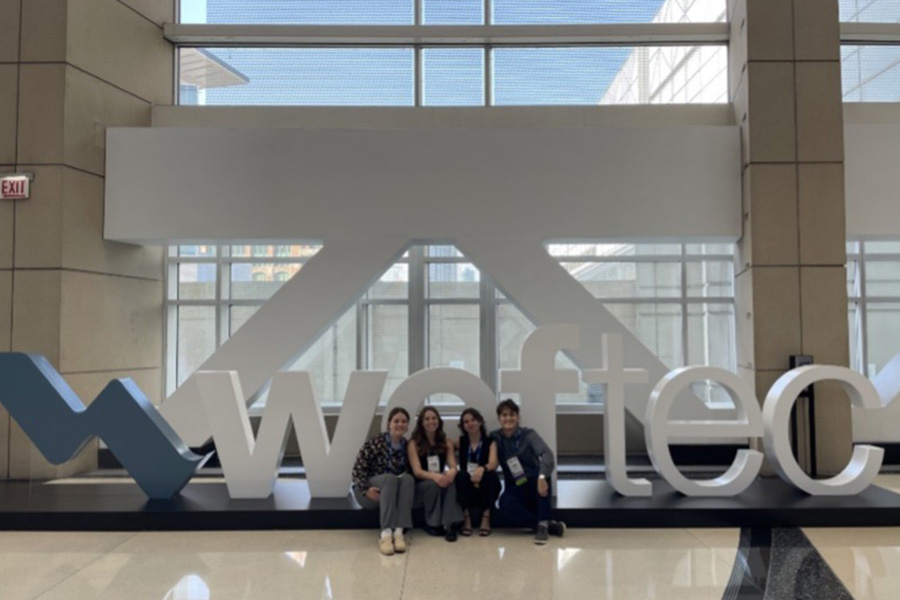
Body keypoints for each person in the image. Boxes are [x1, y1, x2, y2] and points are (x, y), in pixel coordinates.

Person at [491, 398, 566, 544]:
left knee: (542, 474)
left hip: (533, 480)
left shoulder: (529, 434)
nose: (508, 418)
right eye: (504, 415)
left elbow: (547, 454)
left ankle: (543, 524)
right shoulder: (495, 437)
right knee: (504, 503)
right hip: (516, 485)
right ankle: (542, 525)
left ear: (518, 417)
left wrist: (542, 477)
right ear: (499, 418)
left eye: (512, 414)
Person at [351, 407, 415, 556]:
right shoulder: (375, 442)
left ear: (408, 425)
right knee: (390, 478)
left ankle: (398, 532)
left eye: (404, 421)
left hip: (391, 495)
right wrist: (366, 489)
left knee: (408, 479)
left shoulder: (406, 446)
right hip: (369, 493)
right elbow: (357, 470)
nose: (400, 424)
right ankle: (386, 534)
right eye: (396, 421)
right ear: (389, 424)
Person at [408, 406, 464, 541]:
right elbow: (417, 472)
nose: (431, 421)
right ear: (421, 423)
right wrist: (435, 476)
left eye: (434, 418)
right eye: (427, 419)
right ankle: (433, 523)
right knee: (432, 484)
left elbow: (453, 465)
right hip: (421, 487)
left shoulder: (446, 442)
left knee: (451, 481)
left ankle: (450, 524)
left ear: (439, 421)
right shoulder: (413, 444)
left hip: (440, 481)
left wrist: (451, 472)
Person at [455, 407, 500, 536]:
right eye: (466, 422)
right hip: (467, 486)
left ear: (480, 422)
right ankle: (466, 518)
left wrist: (481, 469)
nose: (470, 424)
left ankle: (486, 517)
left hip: (484, 486)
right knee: (461, 475)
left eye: (473, 420)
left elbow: (493, 463)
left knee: (491, 475)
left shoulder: (490, 442)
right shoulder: (460, 442)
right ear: (463, 426)